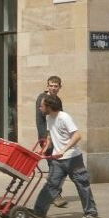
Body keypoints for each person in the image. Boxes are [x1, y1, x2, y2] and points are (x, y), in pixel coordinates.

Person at [30, 94, 99, 218]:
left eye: (42, 105)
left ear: (49, 106)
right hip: (58, 160)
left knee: (82, 184)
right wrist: (44, 149)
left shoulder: (64, 117)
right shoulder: (49, 118)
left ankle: (91, 212)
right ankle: (39, 213)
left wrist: (63, 150)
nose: (40, 107)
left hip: (73, 158)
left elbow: (77, 136)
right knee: (51, 185)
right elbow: (50, 136)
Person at [35, 75, 67, 208]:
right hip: (47, 139)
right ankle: (54, 195)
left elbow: (60, 119)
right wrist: (45, 140)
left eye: (56, 86)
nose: (54, 88)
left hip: (57, 139)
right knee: (55, 166)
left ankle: (53, 193)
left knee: (58, 166)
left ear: (60, 87)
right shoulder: (42, 99)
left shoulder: (57, 100)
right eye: (51, 85)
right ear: (47, 86)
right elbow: (41, 120)